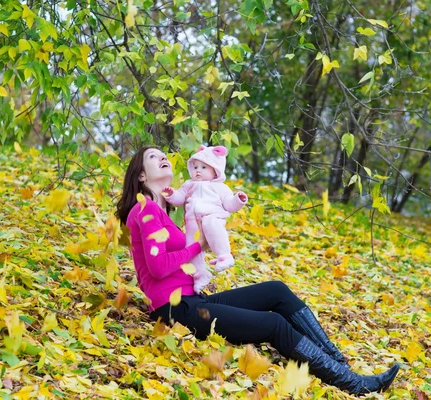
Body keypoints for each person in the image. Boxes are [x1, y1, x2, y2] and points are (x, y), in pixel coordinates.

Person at [115, 146, 399, 396]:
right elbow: (159, 266)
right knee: (273, 324)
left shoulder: (160, 210)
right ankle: (352, 383)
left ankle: (337, 363)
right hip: (175, 311)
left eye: (163, 154)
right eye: (153, 157)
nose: (163, 157)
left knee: (276, 291)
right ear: (141, 176)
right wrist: (198, 246)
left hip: (192, 301)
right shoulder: (145, 210)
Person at [162, 145, 248, 294]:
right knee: (191, 248)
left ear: (215, 170)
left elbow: (229, 204)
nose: (198, 170)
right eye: (195, 167)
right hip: (192, 224)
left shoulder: (220, 187)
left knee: (212, 226)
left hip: (213, 216)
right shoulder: (189, 185)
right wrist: (171, 194)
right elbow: (179, 199)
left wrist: (238, 200)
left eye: (203, 167)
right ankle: (200, 275)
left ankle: (224, 255)